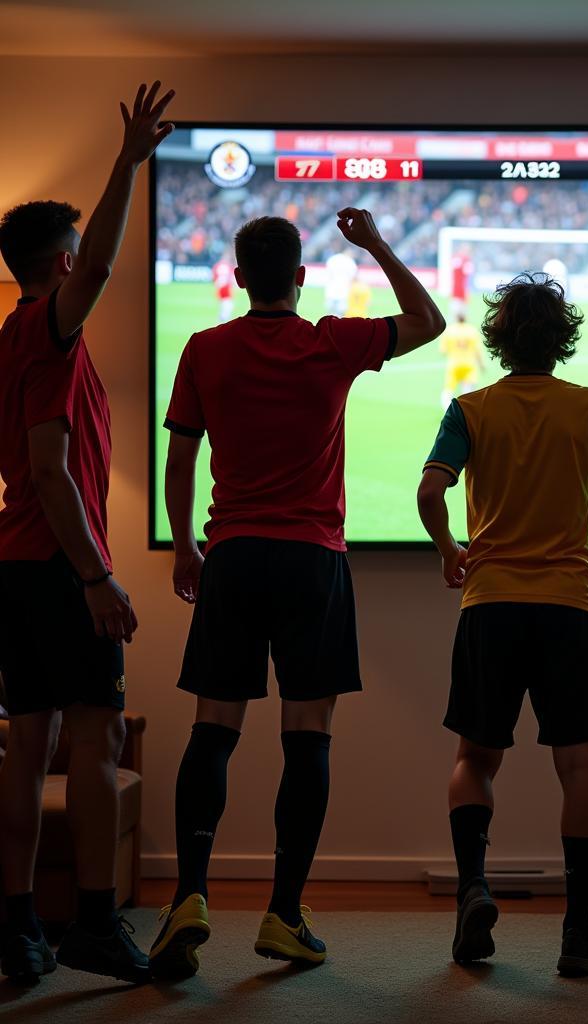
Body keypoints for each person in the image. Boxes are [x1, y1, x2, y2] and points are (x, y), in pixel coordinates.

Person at [149, 209, 444, 979]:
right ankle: (283, 913)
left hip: (235, 555)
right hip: (313, 559)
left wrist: (184, 542)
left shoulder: (205, 348)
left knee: (213, 727)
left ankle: (188, 894)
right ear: (302, 277)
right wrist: (378, 242)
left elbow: (179, 459)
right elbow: (428, 319)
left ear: (240, 277)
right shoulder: (331, 341)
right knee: (307, 734)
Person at [418, 273, 588, 976]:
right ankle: (576, 932)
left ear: (499, 338)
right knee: (579, 767)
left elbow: (430, 489)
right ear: (563, 338)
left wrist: (450, 548)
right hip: (571, 607)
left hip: (491, 605)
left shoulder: (471, 408)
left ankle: (473, 886)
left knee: (474, 761)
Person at [0, 82, 174, 985]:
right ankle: (96, 927)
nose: (86, 267)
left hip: (17, 568)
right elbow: (45, 470)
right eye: (77, 258)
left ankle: (20, 926)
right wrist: (96, 575)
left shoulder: (13, 334)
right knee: (96, 741)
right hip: (54, 572)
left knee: (28, 747)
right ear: (61, 266)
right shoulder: (46, 327)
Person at [439, 312, 484, 409]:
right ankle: (466, 412)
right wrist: (481, 365)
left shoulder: (450, 330)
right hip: (469, 365)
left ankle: (447, 411)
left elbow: (443, 351)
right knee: (467, 391)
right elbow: (478, 351)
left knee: (449, 389)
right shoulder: (472, 330)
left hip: (454, 364)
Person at [324, 248, 358, 316]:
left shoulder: (333, 259)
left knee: (330, 312)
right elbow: (353, 277)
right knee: (341, 313)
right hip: (344, 290)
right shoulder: (350, 261)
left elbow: (328, 273)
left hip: (331, 289)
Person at [212, 255, 234, 323]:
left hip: (220, 287)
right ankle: (223, 318)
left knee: (224, 303)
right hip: (226, 287)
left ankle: (222, 317)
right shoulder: (228, 266)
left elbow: (214, 276)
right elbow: (231, 276)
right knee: (228, 304)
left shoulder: (217, 266)